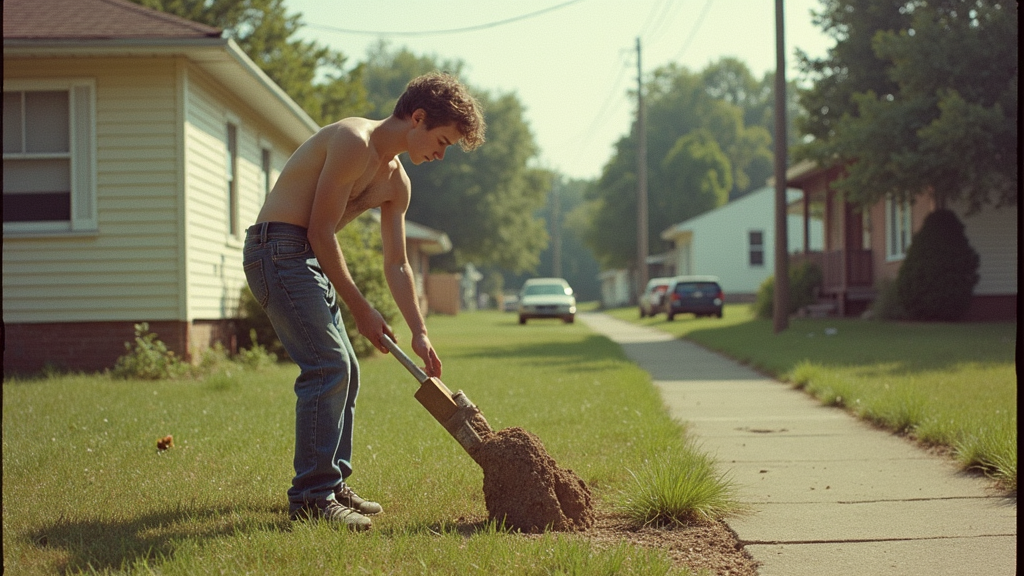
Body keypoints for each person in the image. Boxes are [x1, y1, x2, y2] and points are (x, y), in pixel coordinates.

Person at [242, 72, 485, 530]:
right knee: (328, 367)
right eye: (442, 141)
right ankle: (312, 497)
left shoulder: (398, 183)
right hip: (277, 249)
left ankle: (332, 485)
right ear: (417, 118)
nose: (440, 154)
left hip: (305, 258)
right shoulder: (354, 141)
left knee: (346, 370)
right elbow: (318, 230)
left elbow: (398, 264)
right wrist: (361, 309)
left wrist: (419, 330)